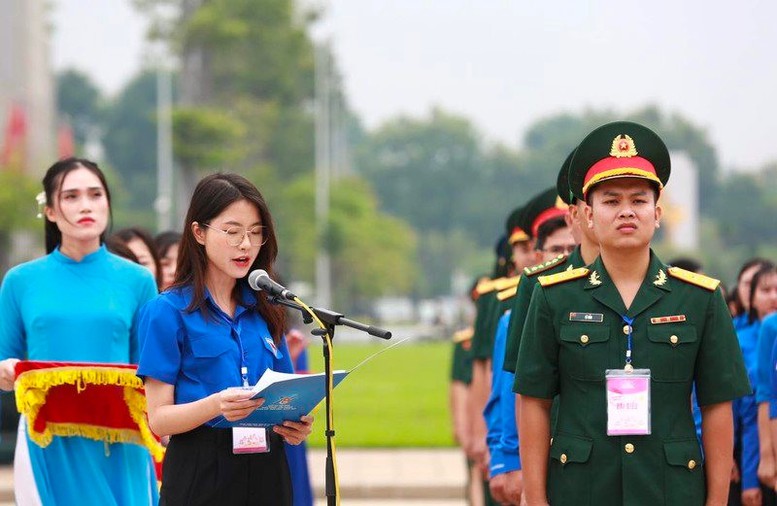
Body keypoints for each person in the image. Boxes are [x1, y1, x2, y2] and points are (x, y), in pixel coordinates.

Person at [515, 121, 750, 506]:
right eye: (611, 201)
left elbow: (717, 405)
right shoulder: (554, 297)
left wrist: (718, 501)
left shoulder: (700, 299)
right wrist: (537, 500)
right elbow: (534, 401)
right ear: (587, 216)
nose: (627, 212)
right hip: (580, 489)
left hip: (671, 490)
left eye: (639, 201)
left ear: (658, 214)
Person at [136, 172, 313, 505]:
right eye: (232, 232)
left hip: (268, 469)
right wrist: (216, 405)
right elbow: (159, 419)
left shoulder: (267, 309)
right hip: (201, 468)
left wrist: (296, 425)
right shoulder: (166, 311)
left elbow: (286, 396)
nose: (245, 244)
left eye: (255, 233)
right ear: (199, 233)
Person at [0, 157, 159, 505]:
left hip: (119, 438)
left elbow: (152, 369)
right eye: (70, 196)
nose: (86, 205)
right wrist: (6, 370)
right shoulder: (20, 281)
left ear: (107, 203)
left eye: (95, 194)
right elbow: (4, 358)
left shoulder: (138, 281)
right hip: (48, 437)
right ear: (51, 212)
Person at [734, 265, 777, 506]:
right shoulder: (741, 336)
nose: (773, 297)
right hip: (752, 442)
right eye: (765, 290)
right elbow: (766, 398)